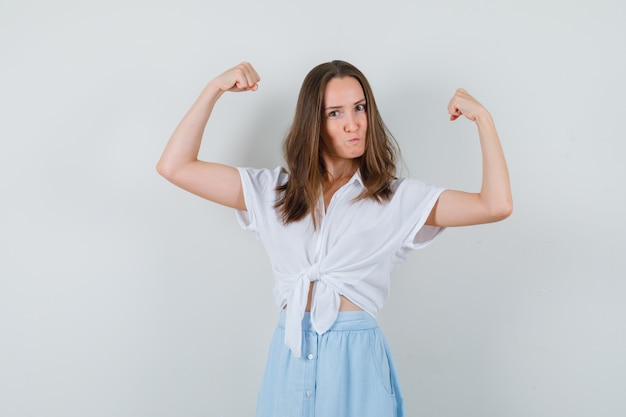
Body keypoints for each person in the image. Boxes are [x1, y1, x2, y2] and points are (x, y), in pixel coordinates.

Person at [157, 60, 512, 417]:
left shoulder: (396, 199)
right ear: (314, 123)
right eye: (335, 113)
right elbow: (175, 166)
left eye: (360, 108)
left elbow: (495, 205)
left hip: (355, 360)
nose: (353, 124)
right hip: (289, 354)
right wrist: (214, 88)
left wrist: (483, 118)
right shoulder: (273, 192)